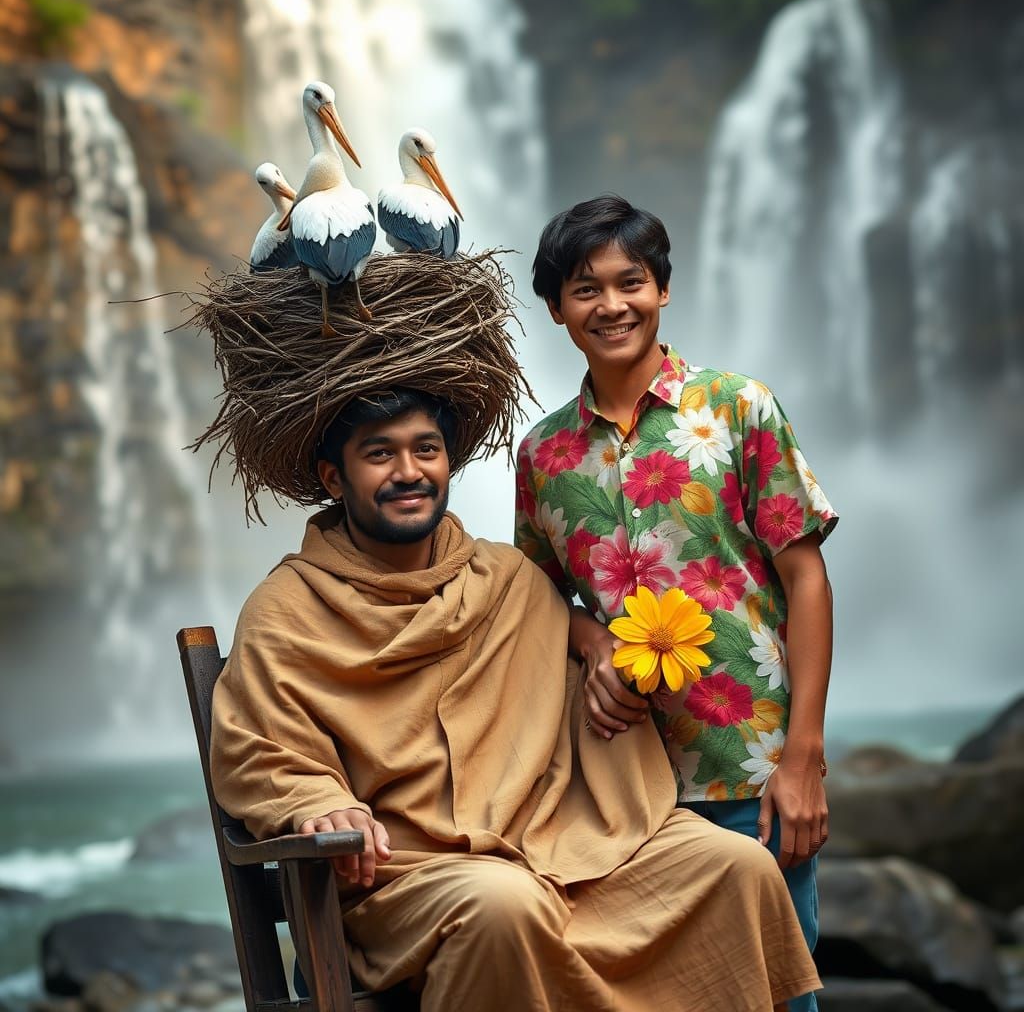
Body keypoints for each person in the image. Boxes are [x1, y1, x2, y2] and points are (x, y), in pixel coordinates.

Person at [209, 383, 821, 1011]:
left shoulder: (504, 578)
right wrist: (320, 802)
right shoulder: (284, 610)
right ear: (334, 479)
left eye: (426, 450)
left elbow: (563, 639)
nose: (409, 472)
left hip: (557, 843)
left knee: (733, 864)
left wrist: (593, 644)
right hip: (407, 876)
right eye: (380, 455)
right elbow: (260, 747)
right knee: (503, 906)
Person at [515, 195, 838, 1012]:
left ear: (663, 289)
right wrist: (590, 642)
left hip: (746, 764)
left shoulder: (738, 407)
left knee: (777, 991)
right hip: (619, 782)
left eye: (631, 282)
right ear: (556, 309)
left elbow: (805, 578)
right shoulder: (543, 455)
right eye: (585, 289)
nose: (611, 305)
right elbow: (534, 601)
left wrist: (802, 758)